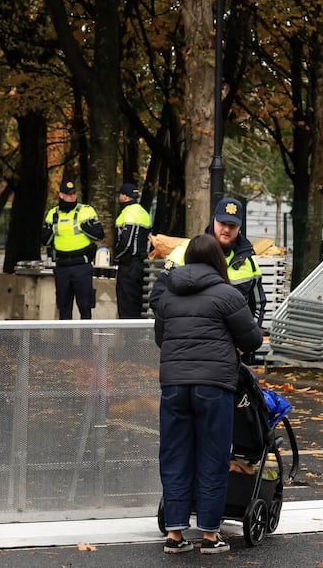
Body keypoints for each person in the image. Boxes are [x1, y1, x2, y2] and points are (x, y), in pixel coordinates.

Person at [151, 234, 263, 555]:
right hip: (214, 386)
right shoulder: (226, 294)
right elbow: (252, 338)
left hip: (173, 386)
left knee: (174, 456)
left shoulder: (168, 295)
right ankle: (211, 535)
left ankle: (174, 534)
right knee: (213, 457)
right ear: (217, 259)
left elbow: (162, 338)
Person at [157, 198, 267, 331]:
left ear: (239, 227)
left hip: (233, 347)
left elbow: (258, 306)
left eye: (232, 225)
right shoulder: (183, 252)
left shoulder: (249, 263)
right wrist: (180, 333)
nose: (226, 229)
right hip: (190, 342)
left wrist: (246, 341)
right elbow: (158, 298)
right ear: (213, 220)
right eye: (222, 223)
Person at [41, 177, 105, 319]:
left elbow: (100, 234)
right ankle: (65, 341)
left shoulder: (86, 211)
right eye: (69, 194)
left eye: (74, 194)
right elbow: (44, 240)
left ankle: (86, 341)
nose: (72, 197)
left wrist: (85, 228)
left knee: (85, 307)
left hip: (81, 265)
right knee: (63, 308)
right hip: (62, 266)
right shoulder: (53, 214)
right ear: (61, 195)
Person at [113, 182, 152, 318]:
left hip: (129, 265)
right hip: (142, 264)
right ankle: (138, 337)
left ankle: (129, 339)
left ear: (124, 197)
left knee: (126, 306)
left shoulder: (128, 214)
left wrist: (116, 256)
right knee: (139, 303)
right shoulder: (144, 212)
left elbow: (126, 243)